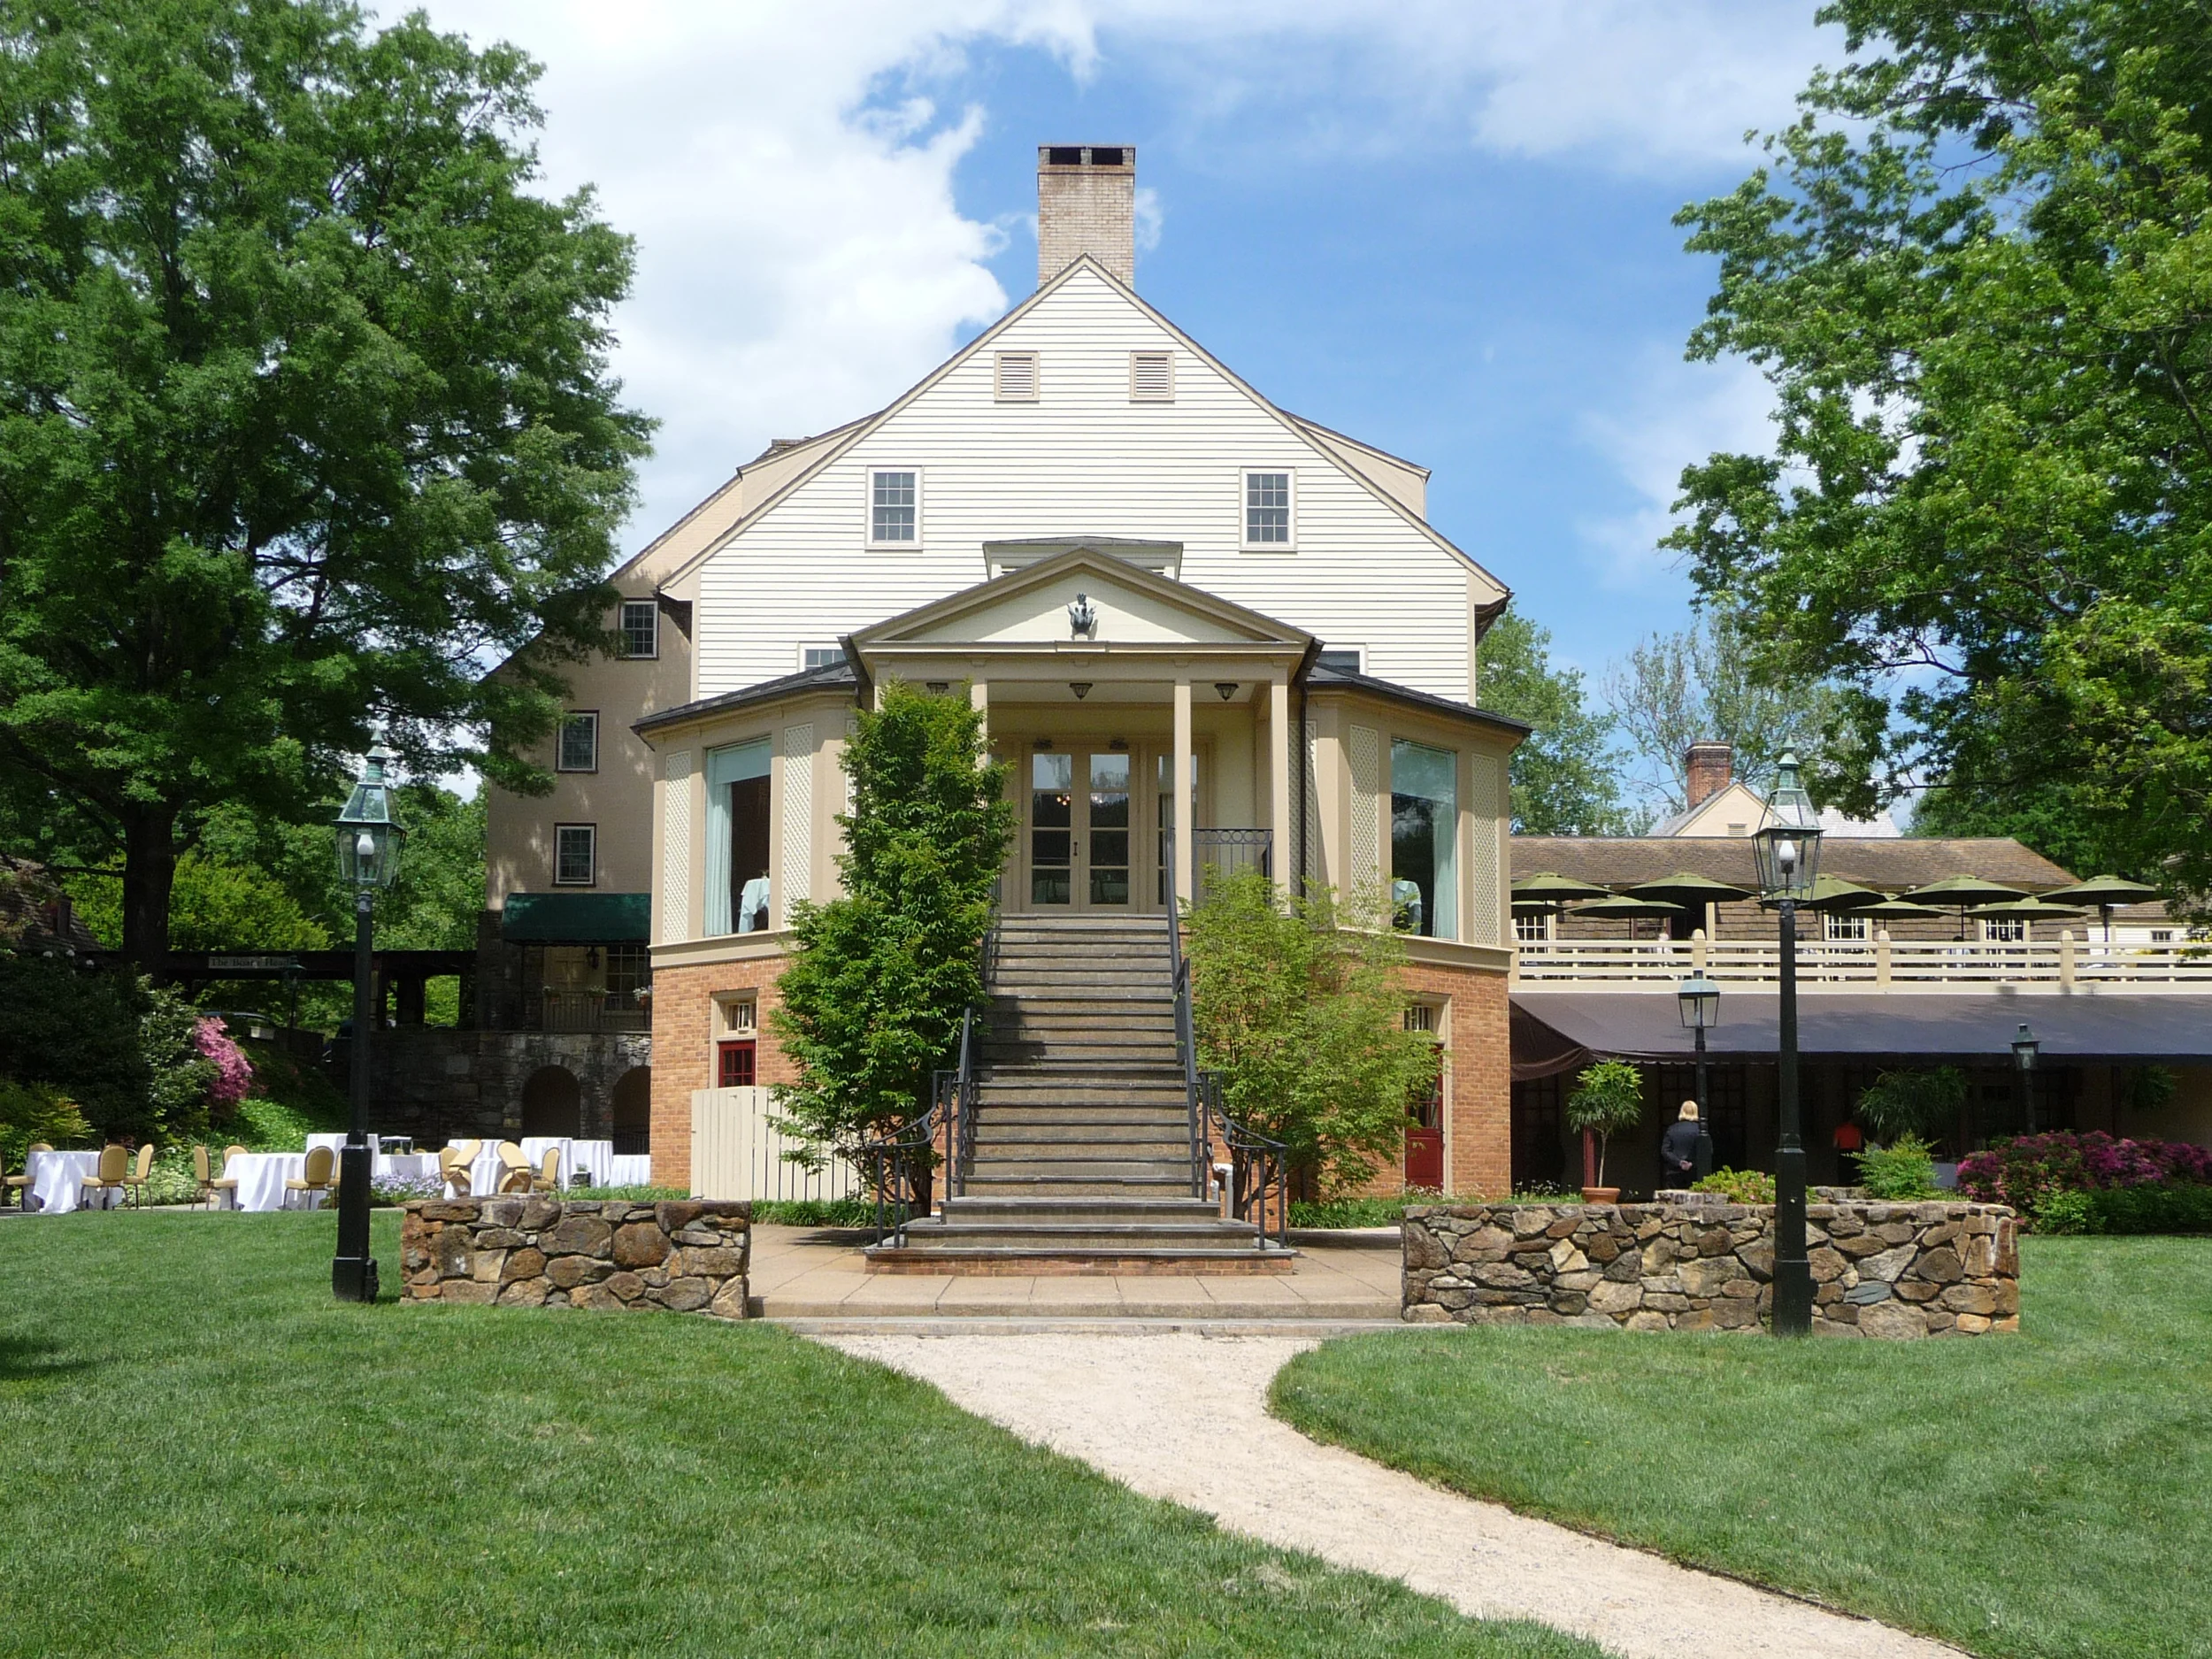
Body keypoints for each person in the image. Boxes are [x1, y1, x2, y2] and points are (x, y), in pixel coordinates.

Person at [1659, 1101, 1701, 1189]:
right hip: (1695, 1173)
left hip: (1674, 1172)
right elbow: (1706, 1151)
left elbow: (1665, 1151)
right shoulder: (1700, 1131)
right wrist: (1693, 1163)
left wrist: (1679, 1162)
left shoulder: (1672, 1129)